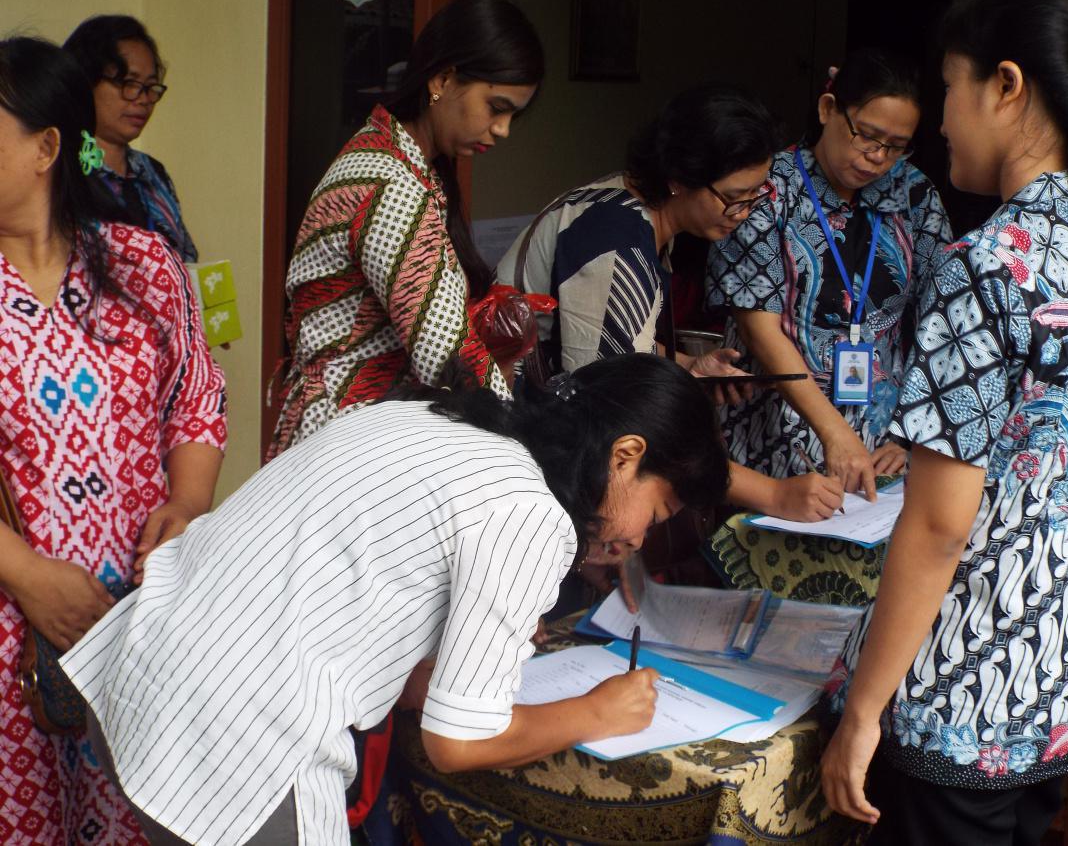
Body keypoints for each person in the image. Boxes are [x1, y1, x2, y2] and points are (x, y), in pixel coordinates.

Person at [63, 353, 729, 846]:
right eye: (660, 506)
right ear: (625, 456)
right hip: (238, 745)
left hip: (142, 674)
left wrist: (433, 678)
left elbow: (354, 598)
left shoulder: (428, 417)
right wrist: (595, 710)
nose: (642, 534)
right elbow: (458, 745)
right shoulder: (530, 513)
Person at [820, 0, 1068, 846]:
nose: (940, 120)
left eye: (949, 87)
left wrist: (862, 713)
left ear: (1005, 86)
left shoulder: (989, 263)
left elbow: (940, 527)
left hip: (972, 691)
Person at [0, 37, 227, 846]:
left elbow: (196, 397)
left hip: (136, 621)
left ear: (45, 147)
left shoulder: (142, 265)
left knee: (132, 819)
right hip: (13, 627)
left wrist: (189, 500)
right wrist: (26, 574)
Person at [497, 84, 839, 523]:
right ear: (678, 179)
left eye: (758, 194)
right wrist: (772, 494)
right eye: (734, 197)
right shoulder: (616, 244)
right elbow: (616, 413)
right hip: (528, 453)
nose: (746, 211)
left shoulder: (630, 211)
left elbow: (608, 343)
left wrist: (688, 367)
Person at [700, 50, 952, 607]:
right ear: (828, 108)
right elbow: (758, 319)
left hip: (880, 445)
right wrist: (834, 431)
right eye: (866, 135)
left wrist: (909, 436)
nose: (877, 157)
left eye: (895, 146)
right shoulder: (771, 186)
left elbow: (940, 324)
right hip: (774, 432)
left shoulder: (915, 197)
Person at [268, 0, 543, 458]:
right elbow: (448, 356)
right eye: (496, 107)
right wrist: (531, 450)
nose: (503, 129)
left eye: (514, 114)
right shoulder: (390, 183)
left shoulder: (404, 162)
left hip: (355, 431)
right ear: (442, 78)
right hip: (341, 440)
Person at [62, 15, 199, 263]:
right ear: (84, 81)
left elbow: (187, 261)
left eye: (151, 86)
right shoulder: (59, 169)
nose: (143, 98)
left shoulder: (153, 172)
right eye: (129, 83)